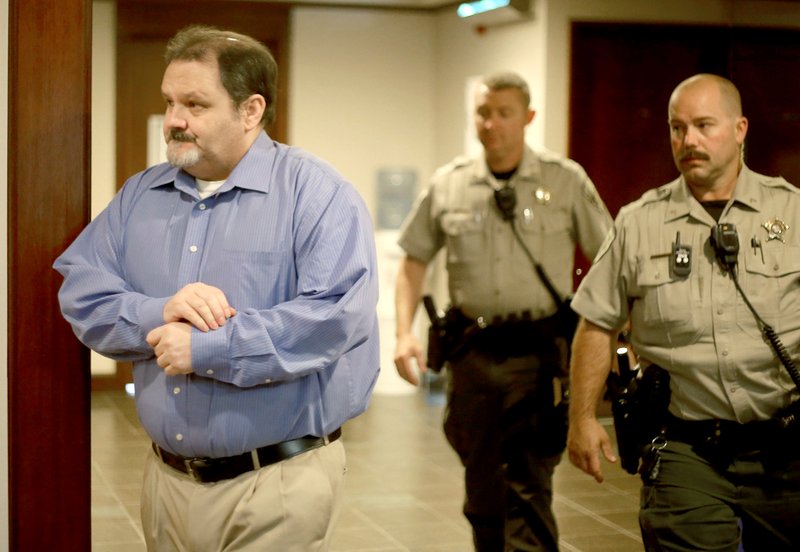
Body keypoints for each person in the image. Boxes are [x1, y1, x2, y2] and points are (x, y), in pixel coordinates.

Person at [54, 25, 380, 552]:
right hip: (166, 483)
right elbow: (82, 293)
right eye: (169, 101)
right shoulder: (140, 195)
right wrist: (157, 313)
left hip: (276, 482)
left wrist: (206, 348)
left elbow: (334, 318)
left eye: (196, 104)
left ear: (251, 110)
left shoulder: (317, 195)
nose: (174, 120)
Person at [567, 73, 800, 551]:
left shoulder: (792, 213)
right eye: (677, 128)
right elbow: (597, 322)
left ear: (740, 130)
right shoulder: (639, 222)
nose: (688, 140)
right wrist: (583, 418)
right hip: (688, 448)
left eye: (703, 125)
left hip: (786, 447)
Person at [393, 71, 613, 551]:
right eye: (483, 113)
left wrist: (614, 334)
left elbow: (610, 260)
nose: (491, 124)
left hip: (539, 353)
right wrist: (403, 333)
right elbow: (413, 261)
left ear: (528, 117)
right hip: (473, 355)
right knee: (483, 484)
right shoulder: (450, 184)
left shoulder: (564, 179)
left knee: (529, 481)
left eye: (503, 113)